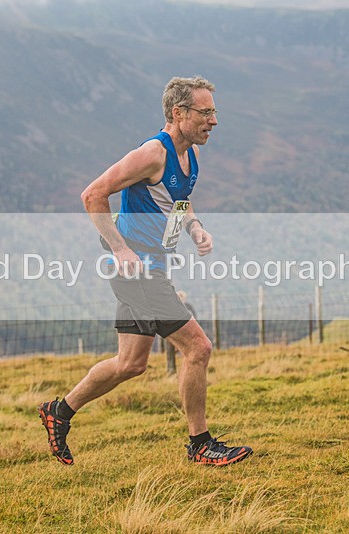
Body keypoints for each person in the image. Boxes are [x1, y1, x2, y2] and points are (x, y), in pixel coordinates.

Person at [39, 75, 252, 467]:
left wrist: (195, 228)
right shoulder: (153, 153)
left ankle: (59, 412)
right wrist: (119, 249)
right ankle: (200, 444)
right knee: (198, 348)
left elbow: (178, 204)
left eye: (214, 111)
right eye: (205, 112)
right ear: (179, 113)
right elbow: (92, 194)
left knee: (131, 364)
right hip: (136, 270)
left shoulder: (192, 156)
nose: (214, 121)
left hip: (154, 264)